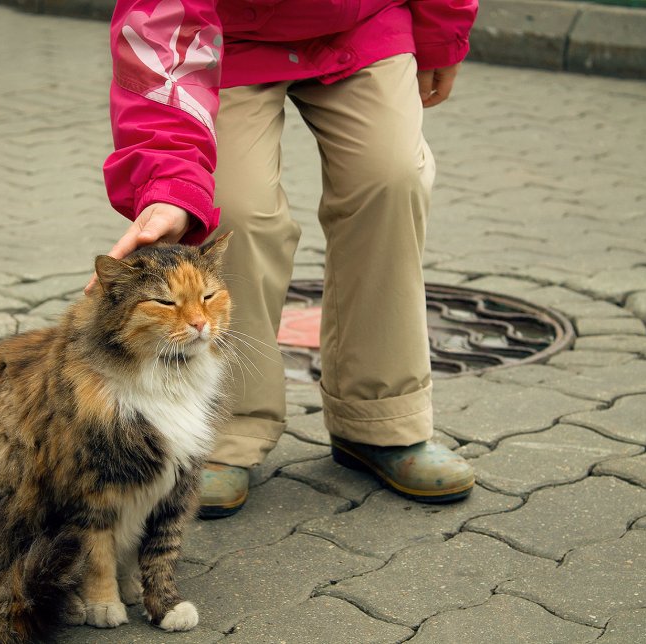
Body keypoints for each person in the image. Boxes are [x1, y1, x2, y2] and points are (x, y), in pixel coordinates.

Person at [95, 0, 478, 518]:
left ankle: (381, 417)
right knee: (232, 211)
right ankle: (225, 429)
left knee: (391, 180)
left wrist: (441, 32)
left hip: (366, 21)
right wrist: (169, 182)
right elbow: (159, 19)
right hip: (228, 35)